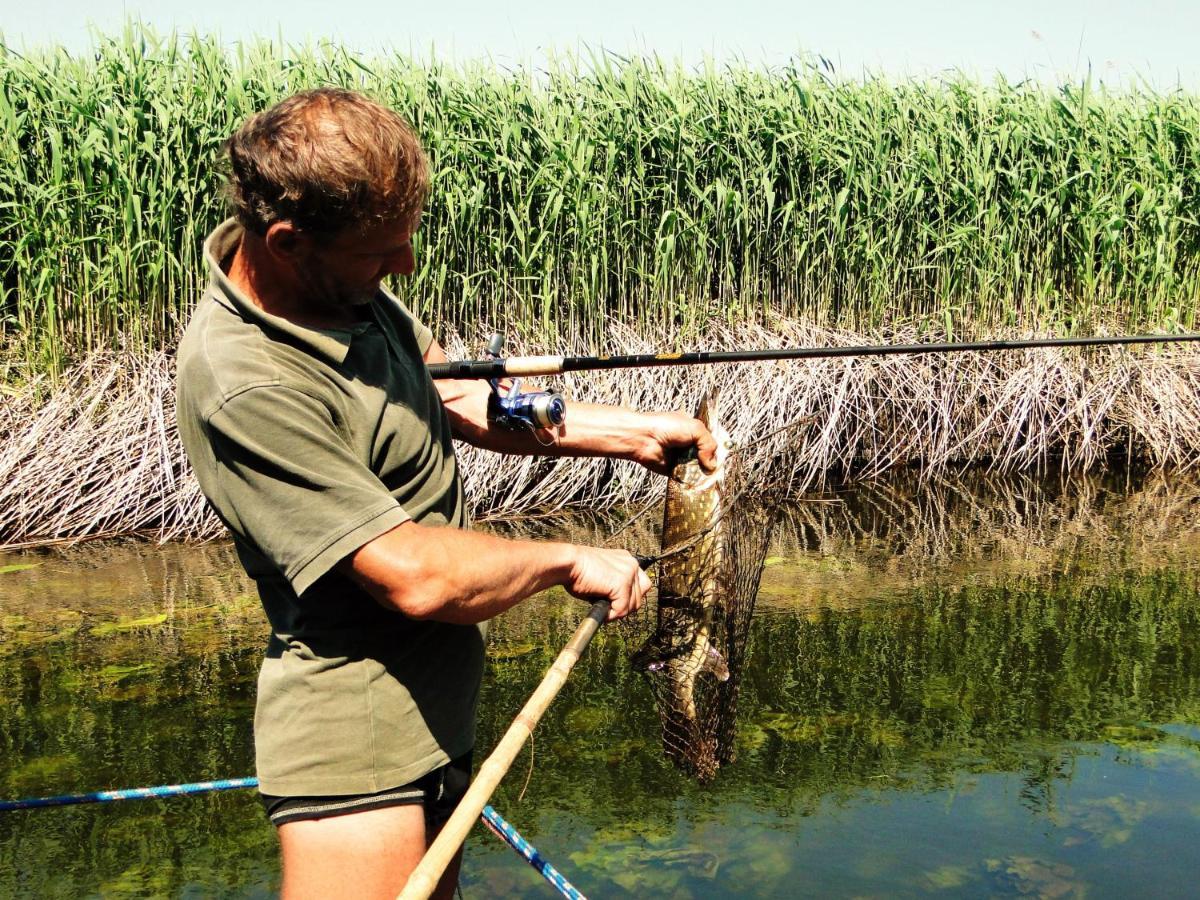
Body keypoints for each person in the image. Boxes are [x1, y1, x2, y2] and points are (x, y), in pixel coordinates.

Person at [175, 87, 715, 899]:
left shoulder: (335, 287)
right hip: (353, 744)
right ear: (286, 240)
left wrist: (633, 433)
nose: (405, 267)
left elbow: (454, 395)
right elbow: (413, 573)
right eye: (382, 253)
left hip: (432, 710)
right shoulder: (247, 383)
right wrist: (569, 558)